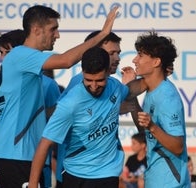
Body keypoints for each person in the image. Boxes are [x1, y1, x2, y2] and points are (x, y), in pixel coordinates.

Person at [0, 4, 119, 188]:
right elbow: (66, 61)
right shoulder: (21, 54)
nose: (57, 35)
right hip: (17, 156)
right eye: (53, 29)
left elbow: (48, 111)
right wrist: (102, 34)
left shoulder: (26, 64)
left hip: (24, 156)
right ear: (36, 30)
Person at [28, 46, 146, 188]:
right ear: (83, 72)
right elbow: (45, 144)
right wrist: (33, 184)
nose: (94, 86)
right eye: (89, 80)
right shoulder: (70, 103)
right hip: (76, 175)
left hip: (108, 174)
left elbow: (135, 88)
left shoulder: (114, 86)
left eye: (100, 80)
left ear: (109, 72)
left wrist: (157, 75)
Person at [0, 29, 61, 188]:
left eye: (7, 52)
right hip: (5, 163)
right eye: (1, 52)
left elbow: (57, 120)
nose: (3, 58)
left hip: (35, 162)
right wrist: (5, 151)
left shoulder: (47, 85)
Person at [131, 30, 191, 187]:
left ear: (156, 62)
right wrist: (131, 99)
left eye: (140, 55)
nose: (134, 60)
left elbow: (177, 146)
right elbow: (145, 131)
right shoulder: (152, 90)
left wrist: (152, 126)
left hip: (170, 182)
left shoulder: (167, 97)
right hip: (156, 178)